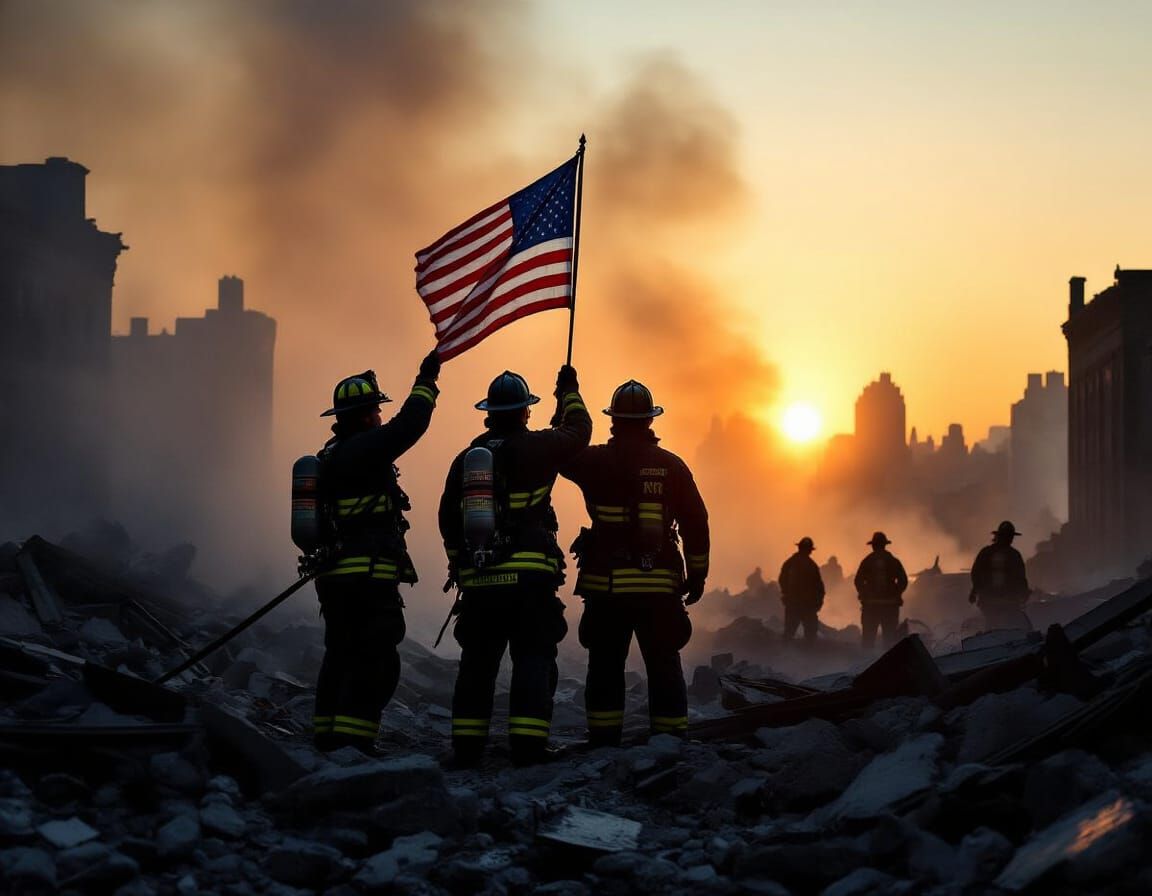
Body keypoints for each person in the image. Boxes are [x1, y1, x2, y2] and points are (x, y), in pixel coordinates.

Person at [439, 366, 591, 767]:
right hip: (529, 581)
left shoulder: (466, 460)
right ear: (525, 411)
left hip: (480, 582)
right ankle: (528, 748)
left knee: (477, 664)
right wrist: (569, 392)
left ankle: (466, 749)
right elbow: (580, 432)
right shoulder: (539, 447)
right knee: (533, 659)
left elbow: (447, 518)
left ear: (489, 413)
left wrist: (461, 562)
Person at [560, 380, 710, 746]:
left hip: (606, 587)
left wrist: (565, 403)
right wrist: (697, 575)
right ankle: (670, 738)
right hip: (658, 588)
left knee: (605, 664)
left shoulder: (592, 461)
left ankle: (603, 737)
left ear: (613, 420)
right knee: (663, 662)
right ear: (649, 420)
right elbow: (696, 524)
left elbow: (561, 451)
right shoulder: (672, 466)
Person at [312, 351, 441, 753]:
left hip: (334, 576)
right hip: (367, 575)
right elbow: (411, 424)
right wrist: (426, 381)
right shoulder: (365, 448)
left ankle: (327, 734)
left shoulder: (330, 454)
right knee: (377, 659)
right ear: (366, 416)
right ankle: (355, 741)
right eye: (376, 411)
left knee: (340, 653)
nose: (380, 417)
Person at [970, 520, 1031, 630]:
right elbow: (976, 573)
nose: (1010, 539)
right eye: (1008, 536)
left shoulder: (989, 553)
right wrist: (1024, 593)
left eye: (1010, 537)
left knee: (995, 626)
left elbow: (1020, 578)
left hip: (998, 601)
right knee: (1001, 627)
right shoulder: (1013, 555)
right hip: (999, 601)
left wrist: (974, 591)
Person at [853, 531, 908, 649]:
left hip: (871, 607)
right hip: (890, 607)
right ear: (884, 545)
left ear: (873, 545)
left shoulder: (867, 561)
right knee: (890, 641)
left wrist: (864, 594)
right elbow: (903, 581)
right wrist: (896, 593)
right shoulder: (893, 561)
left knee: (868, 640)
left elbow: (858, 581)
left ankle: (867, 660)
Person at [779, 537, 825, 644]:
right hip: (804, 605)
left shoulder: (791, 563)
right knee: (807, 634)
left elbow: (782, 580)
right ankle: (803, 652)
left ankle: (787, 651)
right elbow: (819, 587)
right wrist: (818, 602)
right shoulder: (811, 565)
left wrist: (787, 594)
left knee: (791, 633)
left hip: (799, 604)